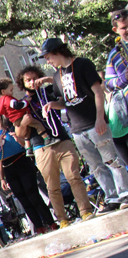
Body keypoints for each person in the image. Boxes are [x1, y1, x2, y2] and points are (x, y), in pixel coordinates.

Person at [39, 37, 128, 209]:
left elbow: (98, 92)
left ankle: (124, 192)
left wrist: (100, 118)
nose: (48, 61)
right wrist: (52, 105)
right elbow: (66, 100)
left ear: (58, 52)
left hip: (94, 122)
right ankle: (112, 197)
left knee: (111, 160)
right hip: (77, 128)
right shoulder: (57, 76)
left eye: (49, 56)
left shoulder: (83, 64)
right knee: (95, 166)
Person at [15, 66, 96, 225]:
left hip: (61, 138)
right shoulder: (21, 103)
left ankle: (85, 211)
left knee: (74, 176)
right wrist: (24, 123)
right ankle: (62, 219)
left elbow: (66, 89)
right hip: (41, 146)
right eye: (28, 80)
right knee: (52, 186)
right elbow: (20, 133)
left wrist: (46, 80)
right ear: (22, 83)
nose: (32, 82)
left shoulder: (50, 91)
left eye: (35, 78)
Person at [0, 109, 56, 234]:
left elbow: (26, 144)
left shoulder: (12, 127)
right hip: (8, 167)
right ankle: (39, 227)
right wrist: (2, 177)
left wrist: (17, 139)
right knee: (23, 199)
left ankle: (51, 222)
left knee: (33, 195)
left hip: (21, 161)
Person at [0, 78, 53, 148]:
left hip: (15, 120)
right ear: (3, 91)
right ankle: (47, 139)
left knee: (28, 132)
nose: (12, 92)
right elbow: (17, 105)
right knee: (38, 125)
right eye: (11, 90)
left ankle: (29, 148)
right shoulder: (7, 99)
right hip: (20, 117)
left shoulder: (1, 101)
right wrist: (26, 101)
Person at [105, 8, 128, 168]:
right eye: (124, 27)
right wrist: (124, 78)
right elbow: (109, 83)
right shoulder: (114, 54)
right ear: (116, 30)